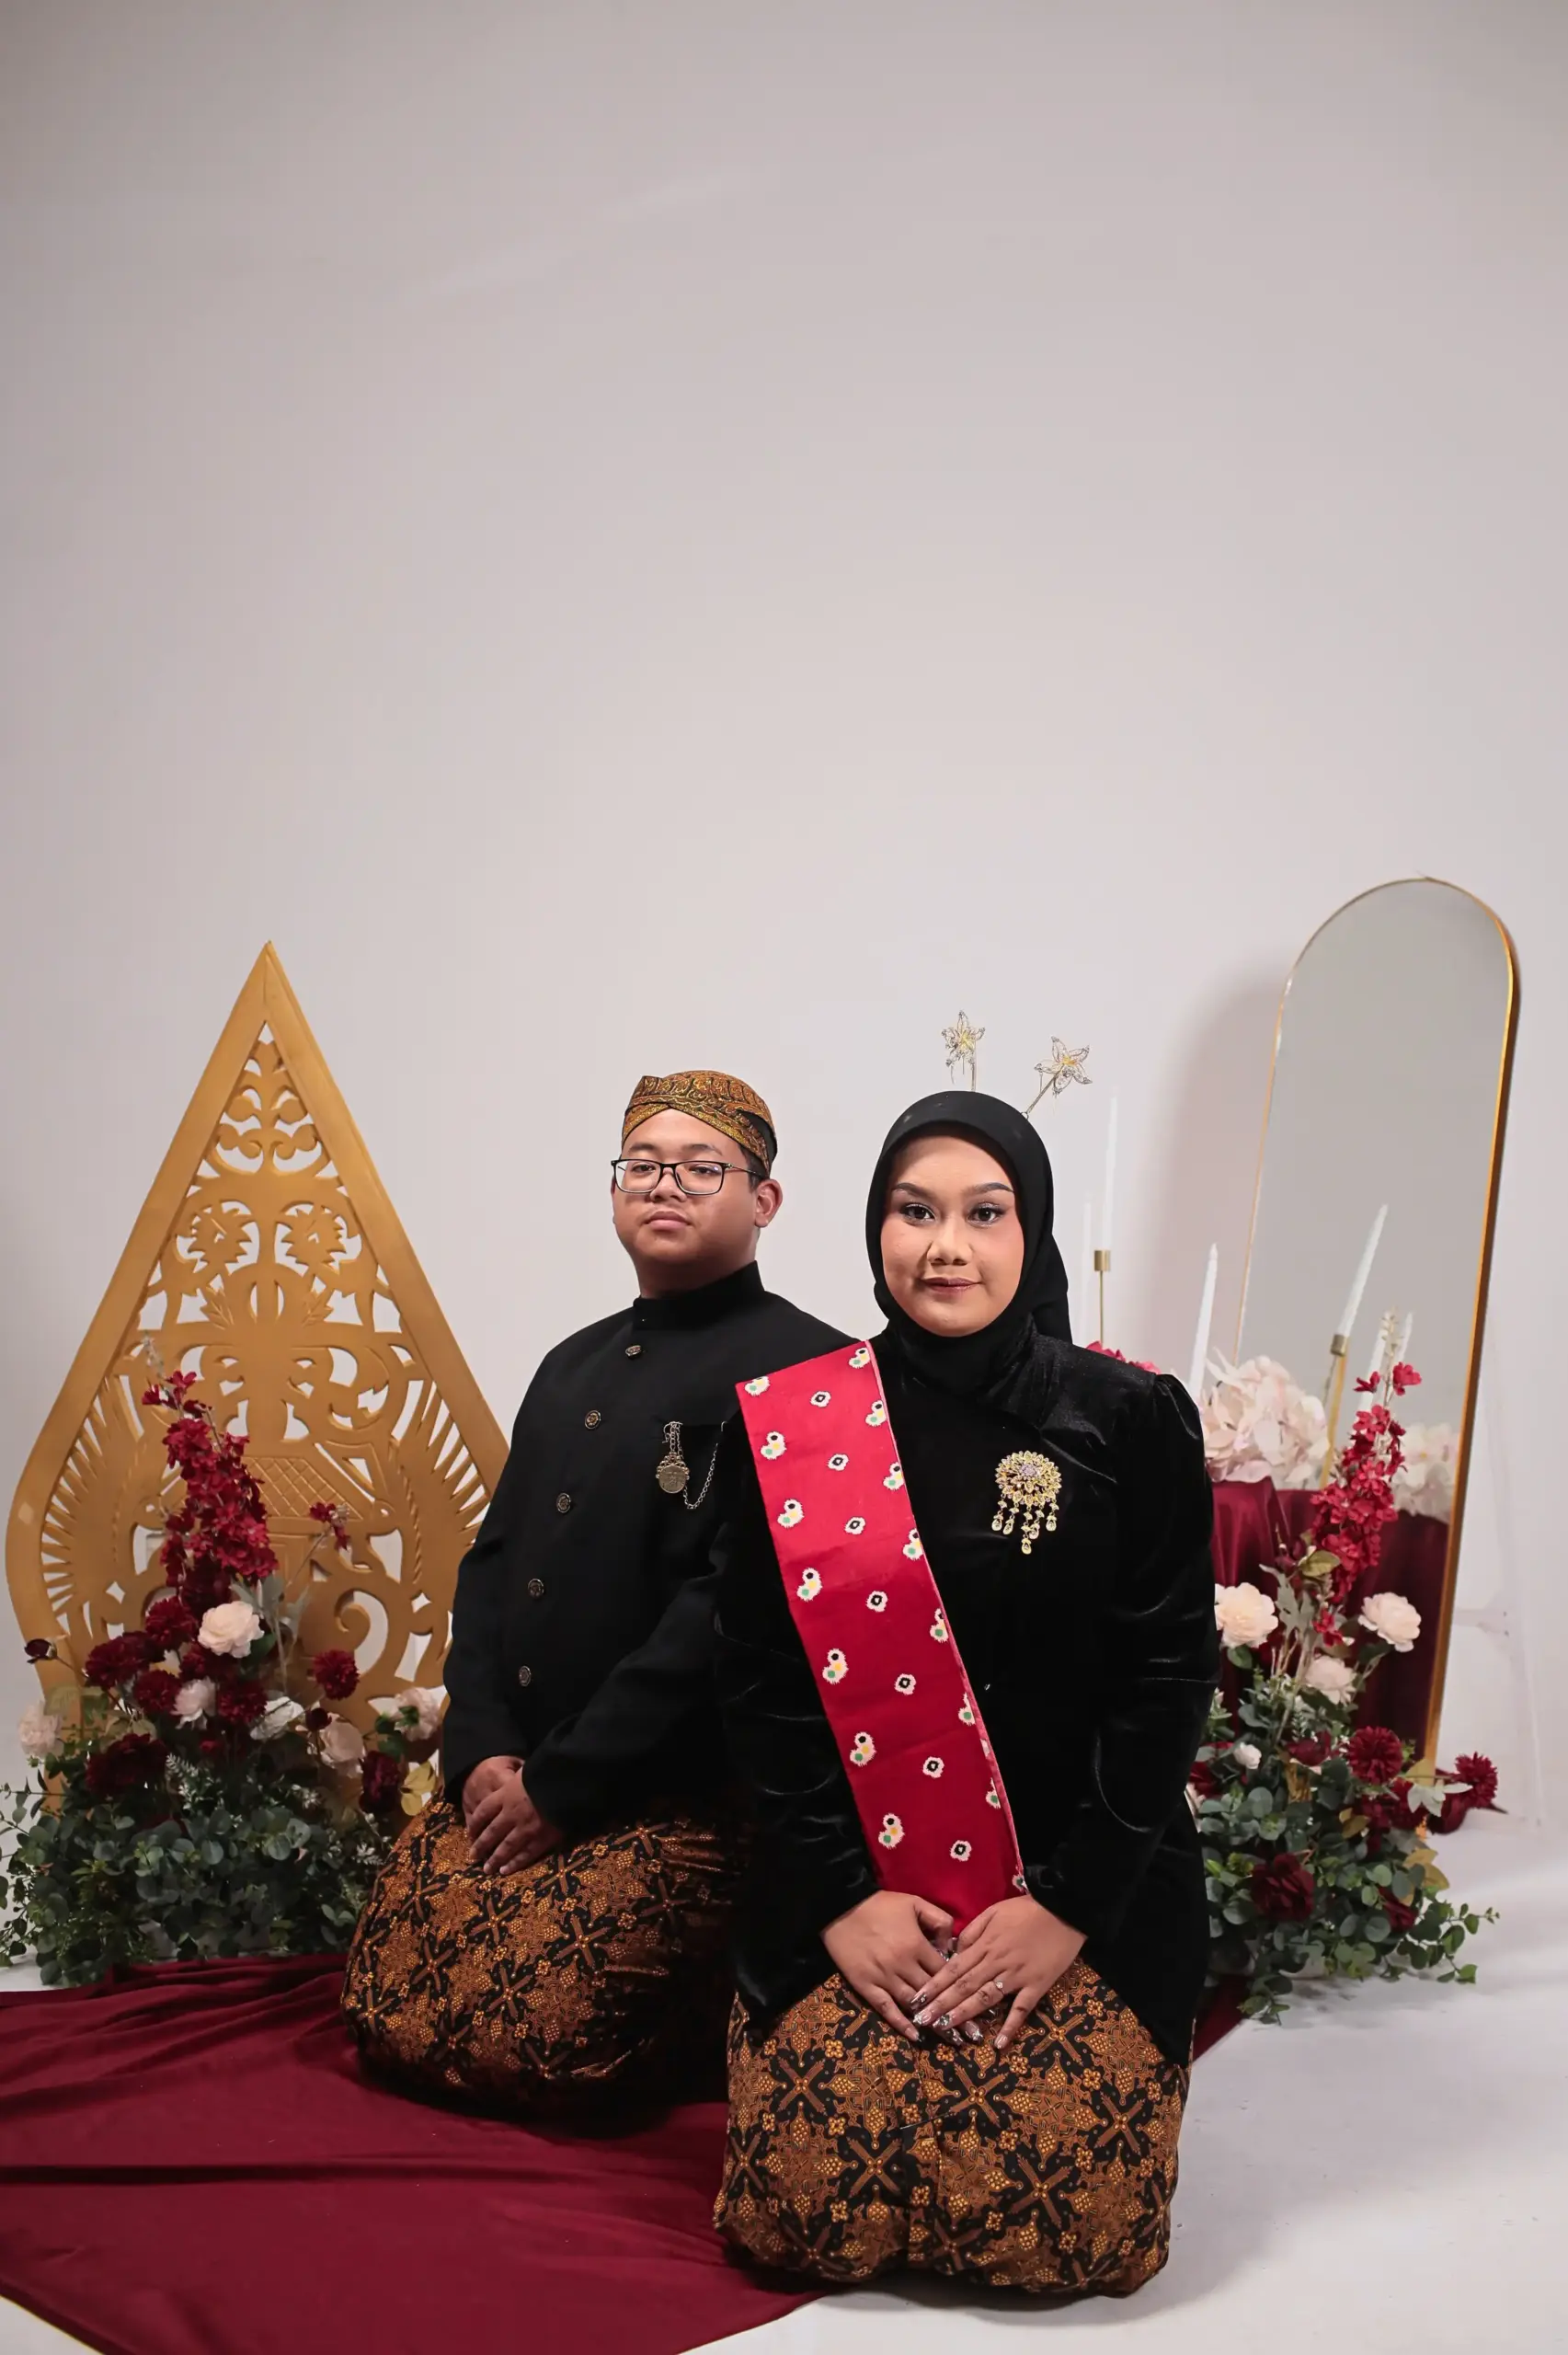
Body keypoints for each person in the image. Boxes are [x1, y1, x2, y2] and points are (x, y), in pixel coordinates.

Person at [709, 1090, 1217, 2294]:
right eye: (914, 1211)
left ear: (1030, 1230)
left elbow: (1165, 1679)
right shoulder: (790, 1425)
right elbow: (761, 1686)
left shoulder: (1127, 1419)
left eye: (984, 1213)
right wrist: (844, 1899)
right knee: (801, 2217)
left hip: (1082, 1884)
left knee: (1072, 2230)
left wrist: (1064, 1906)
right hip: (857, 1881)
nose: (946, 1246)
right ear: (874, 1227)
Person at [342, 1070, 845, 2112]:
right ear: (614, 1190)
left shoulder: (812, 1371)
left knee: (541, 2035)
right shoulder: (569, 1366)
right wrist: (482, 1749)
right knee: (386, 1992)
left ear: (764, 1199)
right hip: (520, 1776)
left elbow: (727, 1613)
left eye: (701, 1169)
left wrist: (563, 1789)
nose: (665, 1187)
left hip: (683, 1800)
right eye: (643, 1166)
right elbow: (492, 1565)